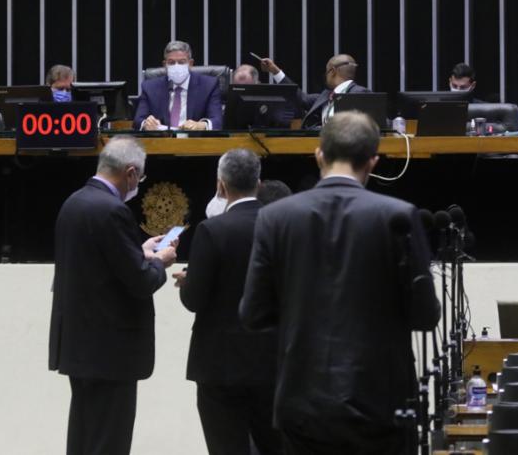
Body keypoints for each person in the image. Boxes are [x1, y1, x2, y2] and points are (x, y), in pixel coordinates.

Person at [240, 112, 440, 455]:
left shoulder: (275, 217)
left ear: (319, 154)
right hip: (381, 403)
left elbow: (254, 313)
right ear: (373, 161)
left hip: (302, 401)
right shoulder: (398, 215)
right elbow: (424, 315)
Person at [48, 136, 178, 455]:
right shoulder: (112, 210)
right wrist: (159, 262)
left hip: (80, 345)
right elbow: (139, 281)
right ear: (130, 173)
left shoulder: (74, 202)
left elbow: (101, 264)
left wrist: (139, 251)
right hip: (110, 350)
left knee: (84, 437)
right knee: (109, 442)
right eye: (140, 178)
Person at [175, 150, 281, 455]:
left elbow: (195, 300)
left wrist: (188, 283)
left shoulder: (212, 230)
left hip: (219, 364)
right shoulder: (282, 225)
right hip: (271, 359)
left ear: (221, 186)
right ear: (258, 183)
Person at [257, 54, 368, 129]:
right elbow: (300, 98)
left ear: (333, 72)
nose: (325, 76)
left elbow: (381, 124)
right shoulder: (326, 96)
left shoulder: (360, 93)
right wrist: (275, 71)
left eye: (327, 72)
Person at [133, 41, 224, 131]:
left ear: (190, 64)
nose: (177, 66)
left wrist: (201, 125)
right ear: (165, 65)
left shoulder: (208, 85)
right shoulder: (150, 87)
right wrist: (146, 124)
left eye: (182, 62)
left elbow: (217, 121)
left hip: (195, 141)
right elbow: (138, 121)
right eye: (171, 62)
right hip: (161, 141)